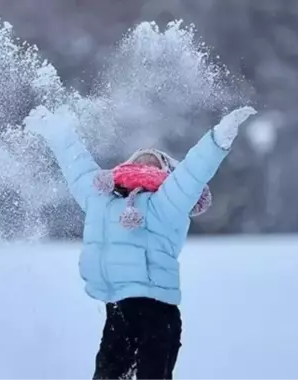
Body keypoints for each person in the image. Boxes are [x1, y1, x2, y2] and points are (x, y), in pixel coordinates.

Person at [24, 105, 256, 380]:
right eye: (140, 161)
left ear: (167, 174)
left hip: (158, 314)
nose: (145, 165)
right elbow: (77, 166)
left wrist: (218, 139)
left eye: (154, 162)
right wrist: (56, 131)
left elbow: (193, 172)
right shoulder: (102, 200)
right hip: (118, 311)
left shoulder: (167, 202)